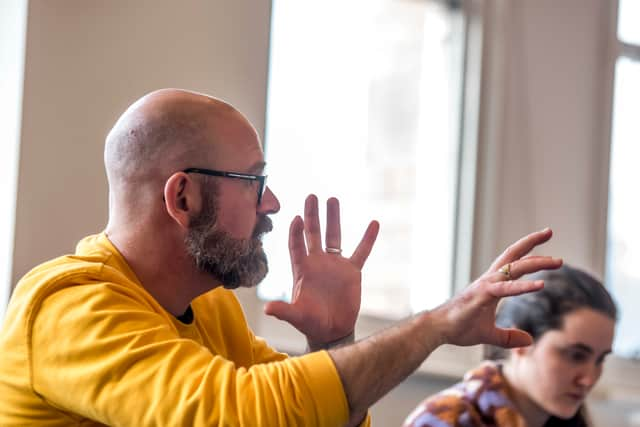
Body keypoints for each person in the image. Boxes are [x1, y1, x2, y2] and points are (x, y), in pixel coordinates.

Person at [0, 88, 562, 427]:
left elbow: (304, 418)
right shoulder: (66, 306)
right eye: (253, 181)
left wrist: (333, 345)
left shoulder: (209, 310)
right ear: (182, 197)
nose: (271, 203)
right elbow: (245, 415)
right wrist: (437, 324)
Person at [403, 265, 617, 427]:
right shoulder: (446, 419)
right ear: (520, 339)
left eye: (600, 359)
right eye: (576, 355)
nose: (588, 379)